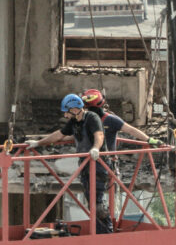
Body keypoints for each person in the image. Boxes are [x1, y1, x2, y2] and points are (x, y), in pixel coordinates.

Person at [27, 93, 113, 233]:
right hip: (85, 165)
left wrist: (96, 148)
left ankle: (107, 234)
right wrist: (38, 143)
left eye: (66, 113)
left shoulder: (92, 118)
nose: (65, 116)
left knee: (97, 203)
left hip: (98, 165)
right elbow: (59, 134)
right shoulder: (75, 122)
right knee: (91, 201)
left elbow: (99, 135)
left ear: (74, 109)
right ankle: (100, 232)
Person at [80, 89, 157, 151]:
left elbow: (131, 130)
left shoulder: (110, 120)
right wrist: (149, 140)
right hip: (89, 160)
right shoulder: (85, 119)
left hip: (106, 161)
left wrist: (149, 139)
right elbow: (131, 130)